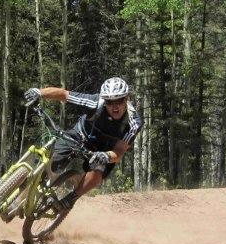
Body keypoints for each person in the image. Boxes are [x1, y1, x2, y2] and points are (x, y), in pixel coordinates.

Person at [23, 77, 143, 211]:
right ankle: (31, 188)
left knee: (98, 171)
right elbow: (64, 95)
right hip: (80, 136)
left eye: (119, 100)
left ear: (126, 98)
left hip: (105, 151)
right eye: (109, 101)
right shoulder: (95, 102)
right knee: (52, 157)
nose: (114, 106)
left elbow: (120, 151)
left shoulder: (133, 122)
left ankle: (70, 199)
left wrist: (106, 156)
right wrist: (39, 92)